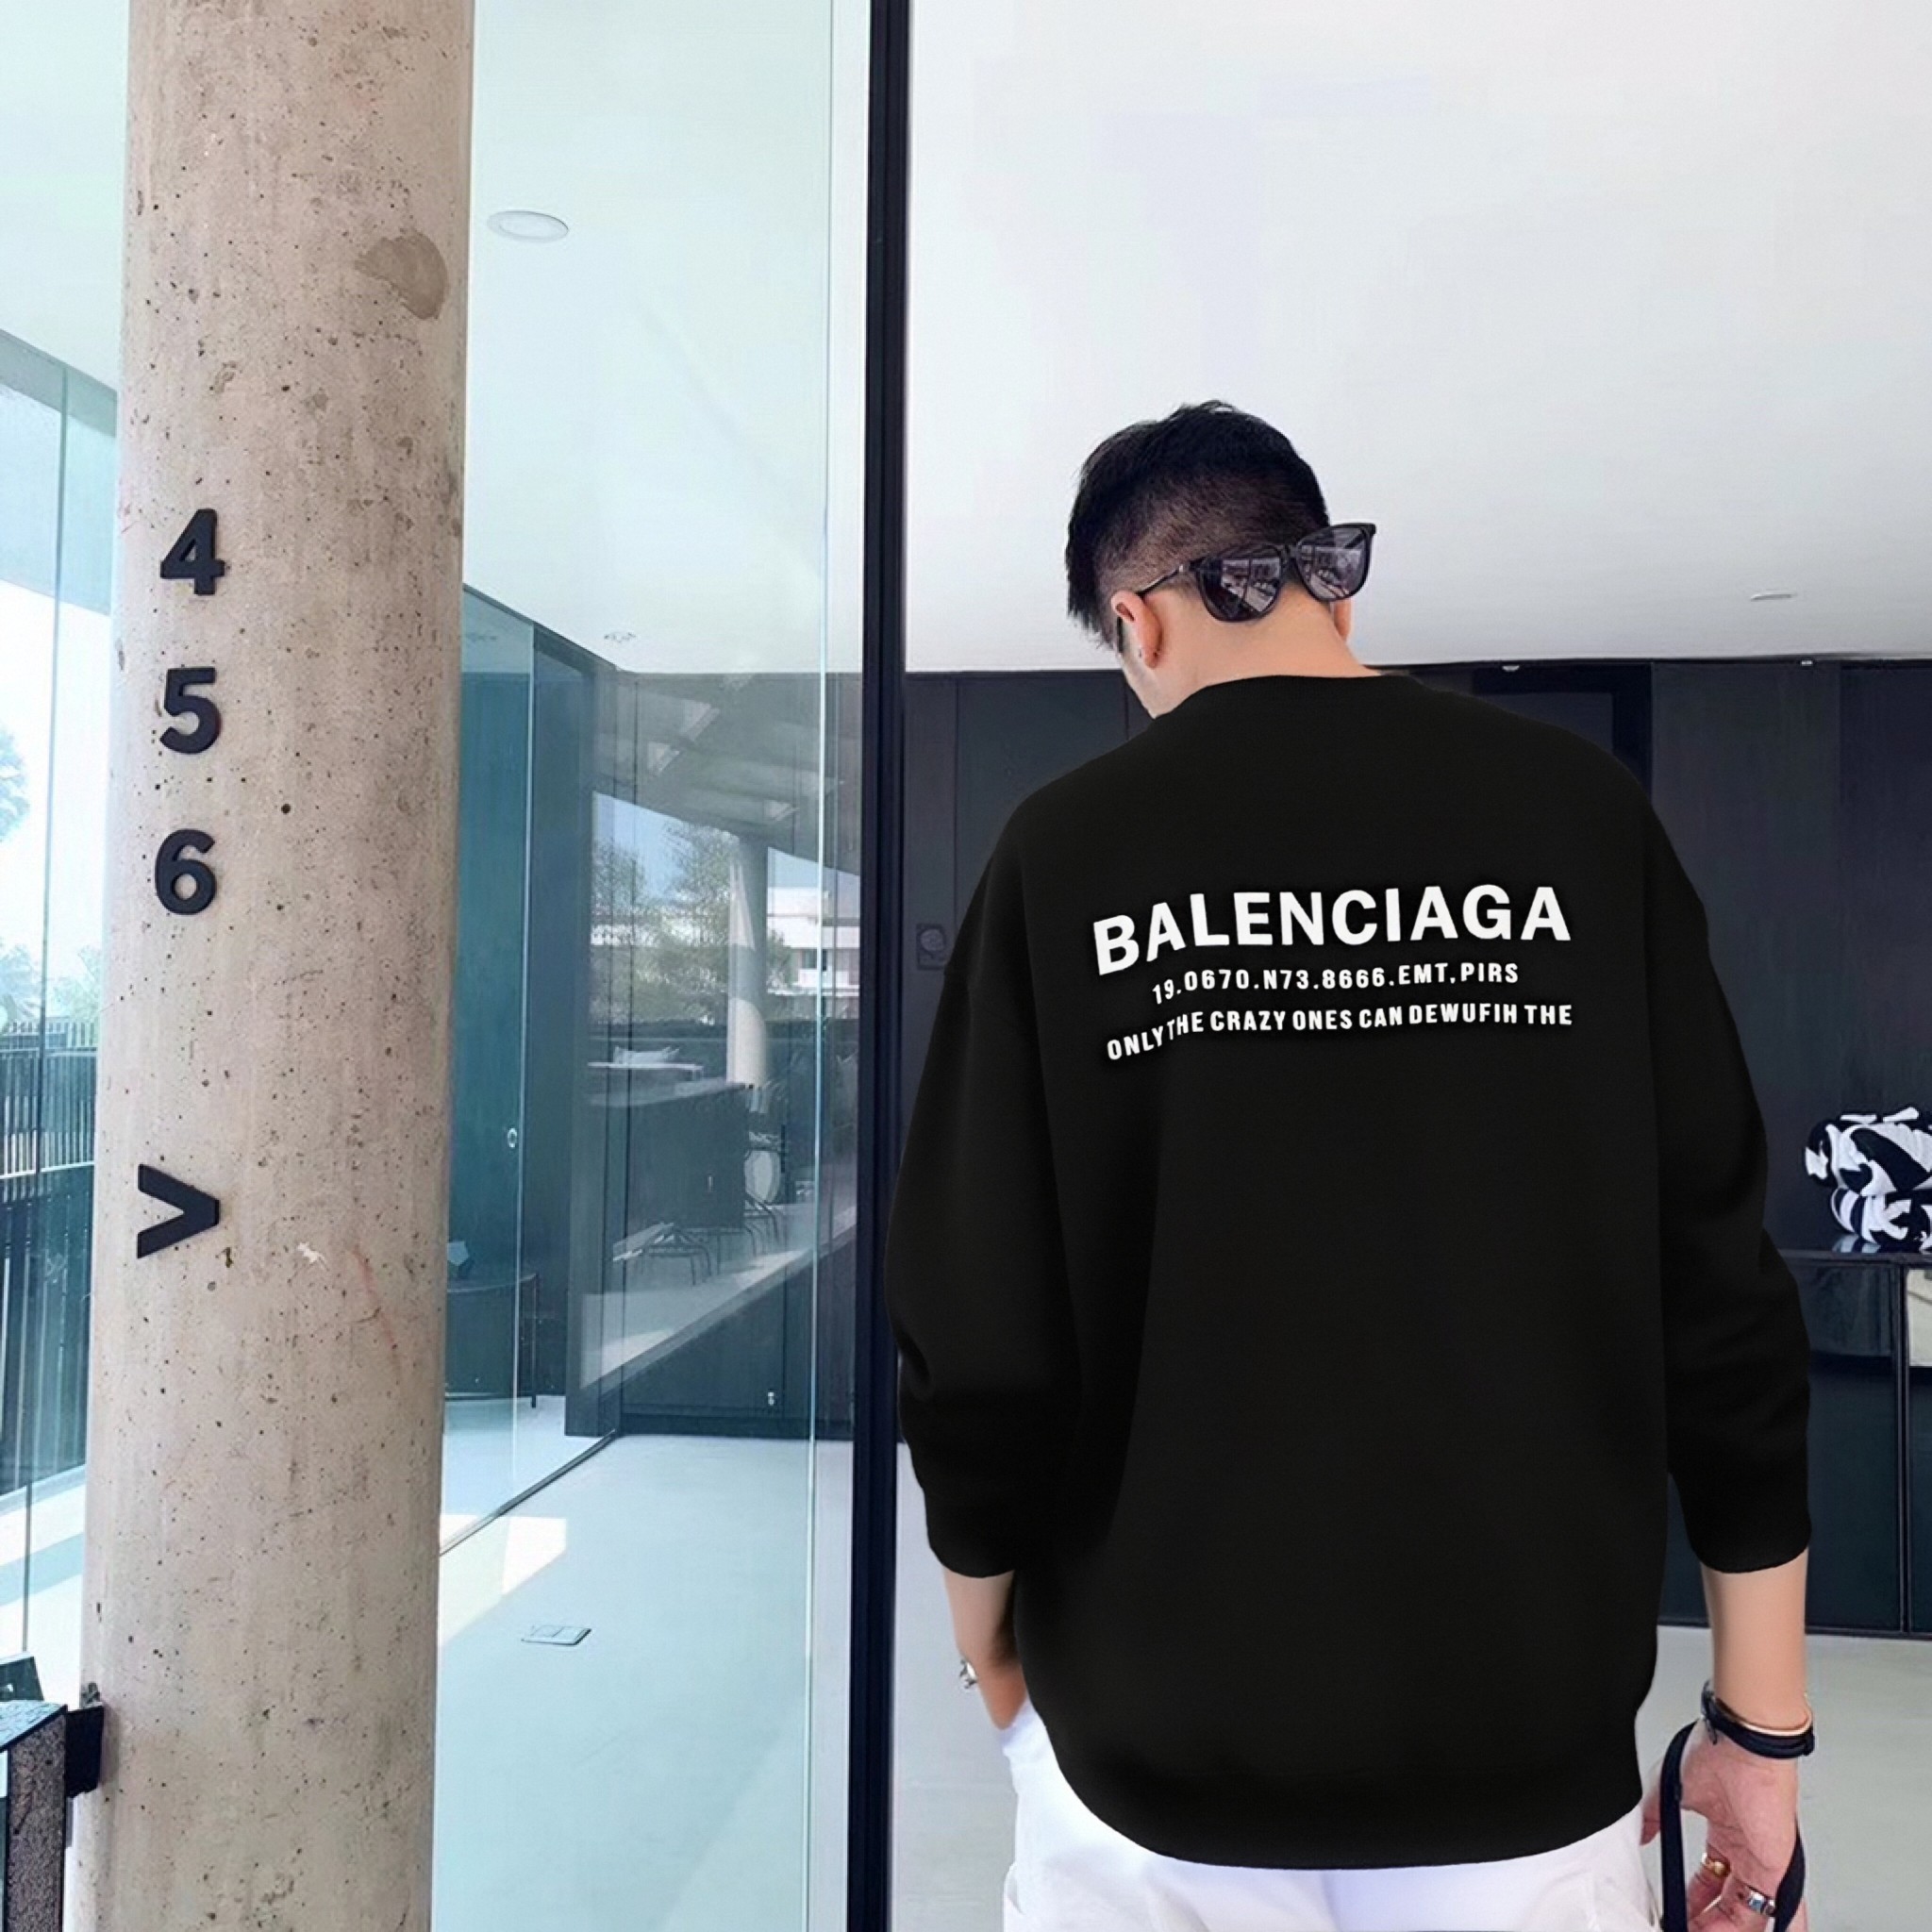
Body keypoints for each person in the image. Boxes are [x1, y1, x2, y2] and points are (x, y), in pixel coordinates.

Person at [882, 400, 1814, 1932]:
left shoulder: (1066, 850)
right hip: (1522, 1757)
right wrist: (1761, 1732)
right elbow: (1720, 1293)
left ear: (1138, 622)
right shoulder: (1579, 815)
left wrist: (986, 1640)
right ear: (1329, 583)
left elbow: (978, 1329)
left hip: (1153, 1757)